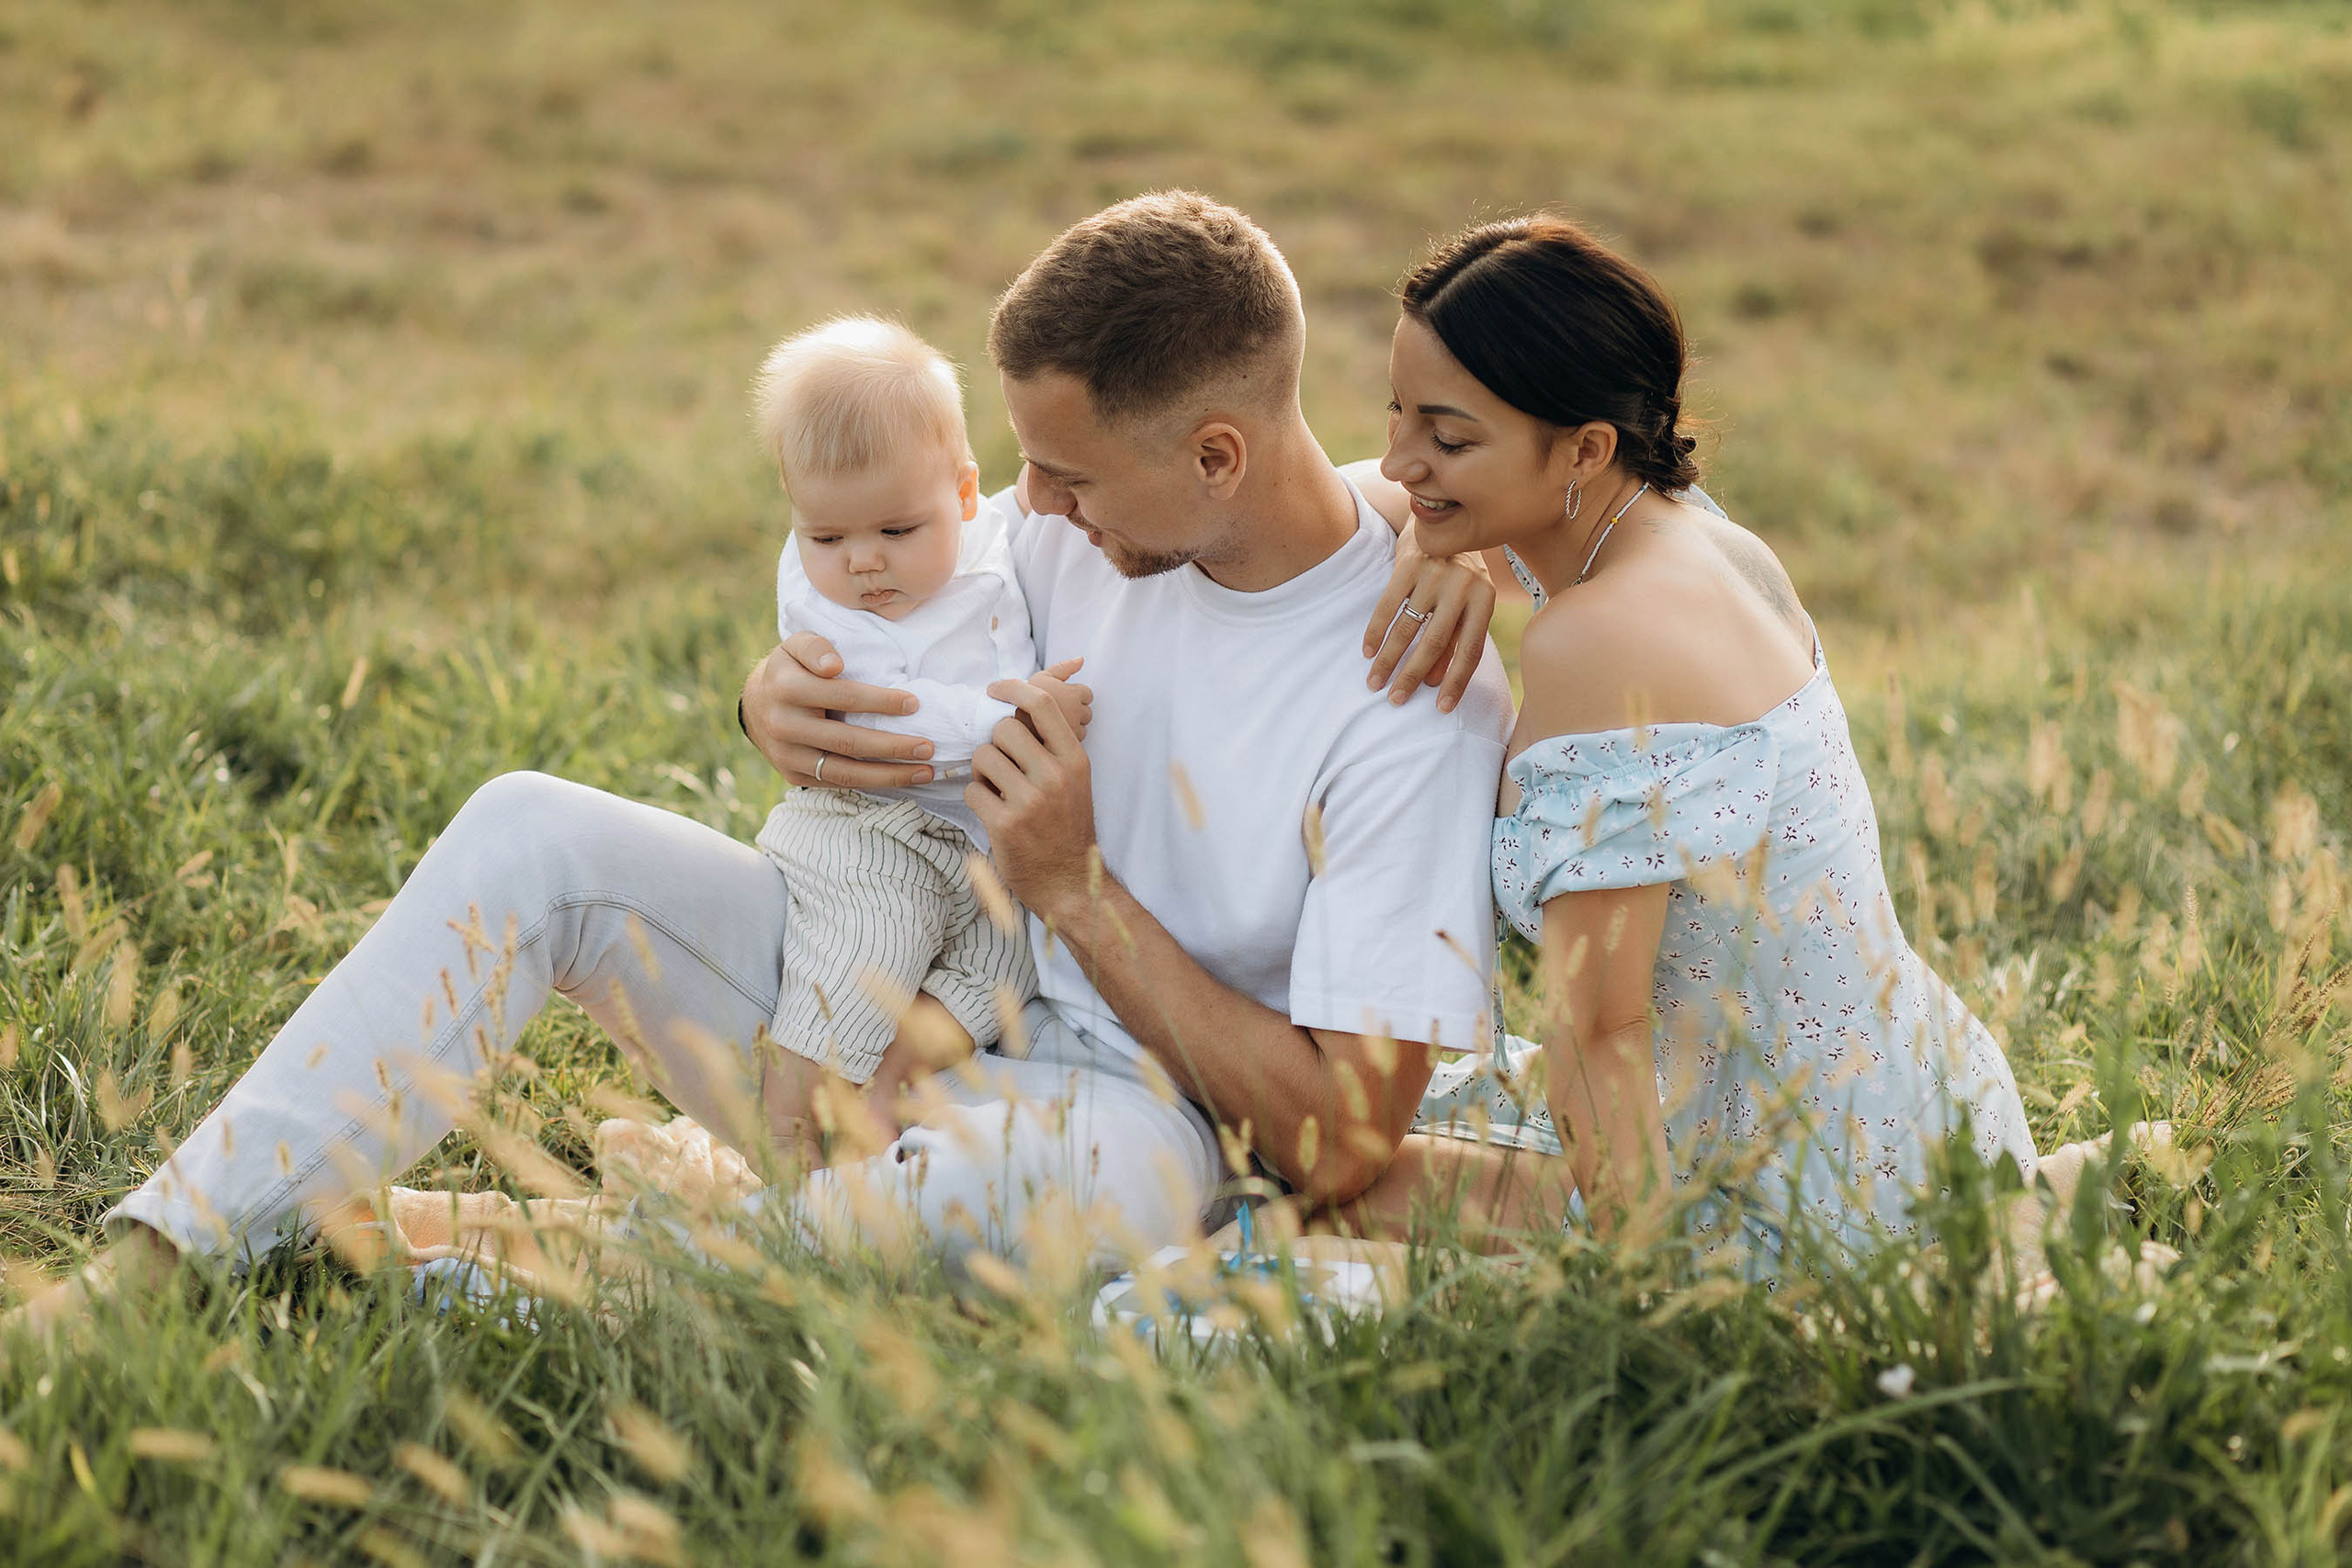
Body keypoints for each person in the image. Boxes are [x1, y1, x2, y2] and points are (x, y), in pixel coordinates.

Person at [7, 191, 1505, 1337]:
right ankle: (158, 1256)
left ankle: (510, 1238)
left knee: (1121, 1186)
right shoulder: (1084, 522)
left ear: (1218, 457)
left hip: (1127, 1117)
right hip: (883, 1008)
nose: (1025, 504)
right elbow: (894, 627)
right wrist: (772, 703)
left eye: (1064, 472)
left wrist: (1084, 895)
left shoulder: (1408, 688)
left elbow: (1340, 1138)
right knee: (533, 828)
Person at [1356, 217, 2038, 1275]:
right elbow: (1350, 495)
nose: (1403, 461)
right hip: (1924, 1116)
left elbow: (1602, 1032)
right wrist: (1430, 525)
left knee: (1325, 1179)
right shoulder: (1692, 527)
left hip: (1797, 1199)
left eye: (1446, 439)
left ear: (1583, 447)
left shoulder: (1596, 638)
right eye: (1396, 415)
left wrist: (1645, 1301)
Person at [744, 316, 1064, 1125]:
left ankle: (883, 1091)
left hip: (979, 848)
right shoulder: (830, 609)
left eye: (895, 530)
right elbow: (896, 724)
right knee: (869, 942)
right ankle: (788, 1113)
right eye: (824, 533)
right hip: (871, 829)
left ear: (962, 493)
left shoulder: (995, 532)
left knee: (1015, 959)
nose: (861, 560)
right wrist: (1024, 713)